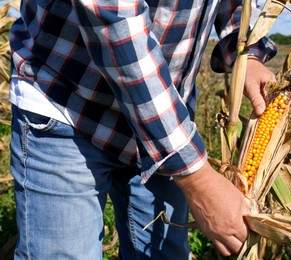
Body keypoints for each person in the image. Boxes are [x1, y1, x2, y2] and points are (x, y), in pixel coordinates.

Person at [8, 0, 277, 259]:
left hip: (167, 116)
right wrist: (199, 180)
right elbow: (115, 21)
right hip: (69, 102)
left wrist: (246, 52)